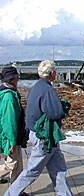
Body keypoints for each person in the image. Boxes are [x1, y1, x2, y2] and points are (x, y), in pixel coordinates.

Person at [4, 60, 74, 196]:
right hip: (44, 137)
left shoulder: (35, 87)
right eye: (55, 72)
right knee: (32, 171)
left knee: (59, 169)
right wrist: (62, 106)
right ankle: (10, 194)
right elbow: (55, 113)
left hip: (40, 135)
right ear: (52, 73)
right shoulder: (48, 89)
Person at [0, 66, 27, 184]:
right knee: (12, 163)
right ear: (12, 79)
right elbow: (9, 121)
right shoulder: (9, 97)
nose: (18, 80)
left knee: (17, 164)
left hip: (11, 134)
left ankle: (16, 189)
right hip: (9, 136)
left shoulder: (6, 92)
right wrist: (12, 140)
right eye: (17, 78)